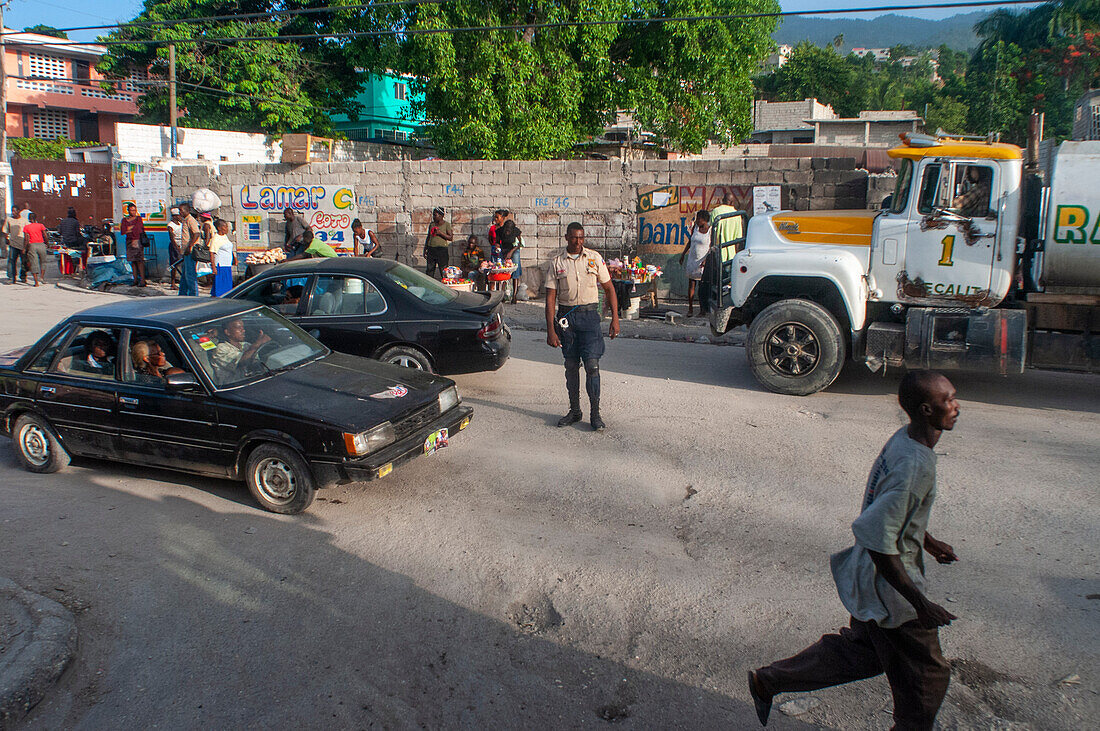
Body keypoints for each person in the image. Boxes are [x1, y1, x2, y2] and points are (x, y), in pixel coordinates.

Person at [749, 370, 962, 731]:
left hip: (871, 576)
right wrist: (920, 603)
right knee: (927, 680)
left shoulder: (906, 439)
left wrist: (928, 540)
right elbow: (879, 538)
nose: (957, 407)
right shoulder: (915, 464)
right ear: (926, 410)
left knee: (862, 654)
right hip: (891, 588)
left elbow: (893, 510)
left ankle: (770, 681)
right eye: (949, 401)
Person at [545, 222, 620, 432]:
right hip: (567, 319)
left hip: (589, 318)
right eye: (574, 238)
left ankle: (595, 414)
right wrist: (551, 329)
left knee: (592, 366)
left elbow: (609, 288)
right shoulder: (556, 262)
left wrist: (615, 319)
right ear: (567, 238)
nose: (578, 242)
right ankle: (575, 410)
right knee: (570, 366)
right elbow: (550, 298)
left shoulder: (594, 258)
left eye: (581, 238)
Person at [211, 317, 271, 382]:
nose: (243, 330)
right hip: (235, 386)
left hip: (254, 380)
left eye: (243, 327)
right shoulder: (221, 349)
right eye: (239, 328)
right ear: (228, 332)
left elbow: (256, 364)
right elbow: (241, 362)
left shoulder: (246, 345)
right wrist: (257, 343)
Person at [679, 210, 711, 318]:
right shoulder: (695, 228)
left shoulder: (710, 231)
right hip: (692, 260)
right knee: (691, 284)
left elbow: (711, 247)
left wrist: (706, 259)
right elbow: (690, 242)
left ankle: (702, 310)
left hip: (702, 262)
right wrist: (683, 254)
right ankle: (690, 308)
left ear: (705, 220)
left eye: (699, 219)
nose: (697, 221)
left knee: (702, 288)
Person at [120, 203, 146, 287]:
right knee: (133, 261)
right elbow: (123, 231)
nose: (133, 212)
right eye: (131, 210)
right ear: (128, 211)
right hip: (129, 242)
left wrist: (129, 228)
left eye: (135, 210)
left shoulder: (138, 218)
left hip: (137, 241)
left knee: (139, 261)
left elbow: (138, 229)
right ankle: (135, 280)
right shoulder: (124, 220)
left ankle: (142, 280)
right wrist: (131, 228)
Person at [498, 219, 524, 304]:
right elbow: (497, 242)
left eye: (509, 231)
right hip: (504, 249)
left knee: (515, 271)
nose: (507, 233)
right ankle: (501, 295)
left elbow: (519, 244)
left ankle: (514, 296)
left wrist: (511, 252)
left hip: (514, 249)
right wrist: (498, 248)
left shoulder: (516, 232)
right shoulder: (500, 231)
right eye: (506, 230)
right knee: (501, 270)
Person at [423, 207, 453, 279]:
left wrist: (440, 233)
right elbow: (428, 237)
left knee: (443, 270)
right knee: (430, 270)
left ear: (441, 216)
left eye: (435, 215)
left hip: (442, 250)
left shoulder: (446, 225)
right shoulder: (432, 225)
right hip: (431, 250)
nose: (433, 217)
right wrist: (425, 249)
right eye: (433, 215)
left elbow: (450, 238)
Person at [178, 203, 201, 296]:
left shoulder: (191, 220)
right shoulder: (185, 220)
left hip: (190, 251)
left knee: (190, 275)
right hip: (185, 251)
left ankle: (193, 294)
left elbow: (196, 233)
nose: (180, 212)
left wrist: (189, 246)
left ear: (187, 211)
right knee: (184, 275)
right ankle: (182, 294)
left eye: (181, 211)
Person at [209, 219, 236, 297]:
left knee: (227, 285)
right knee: (221, 286)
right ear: (219, 228)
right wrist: (213, 267)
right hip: (221, 265)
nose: (227, 228)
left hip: (227, 265)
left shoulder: (225, 237)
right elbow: (212, 252)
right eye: (225, 226)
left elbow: (229, 248)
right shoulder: (216, 238)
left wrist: (234, 258)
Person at [22, 212, 49, 288]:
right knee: (43, 261)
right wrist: (47, 243)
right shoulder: (41, 225)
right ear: (36, 218)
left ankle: (36, 282)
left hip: (32, 245)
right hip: (41, 244)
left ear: (29, 219)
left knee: (34, 263)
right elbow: (45, 235)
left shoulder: (26, 227)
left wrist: (24, 248)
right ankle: (42, 277)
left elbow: (26, 239)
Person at [4, 205, 27, 284]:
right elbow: (5, 230)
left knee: (24, 261)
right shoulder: (9, 220)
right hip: (13, 244)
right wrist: (7, 239)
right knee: (11, 261)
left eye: (14, 211)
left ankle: (23, 276)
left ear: (18, 211)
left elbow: (28, 232)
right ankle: (11, 277)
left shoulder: (24, 220)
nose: (13, 213)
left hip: (22, 244)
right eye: (12, 211)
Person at [59, 206, 84, 273]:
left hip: (65, 241)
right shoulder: (75, 221)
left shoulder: (63, 221)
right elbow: (77, 233)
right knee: (85, 244)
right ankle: (81, 265)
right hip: (73, 241)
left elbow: (60, 232)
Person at [167, 207, 183, 288]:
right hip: (175, 246)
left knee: (181, 263)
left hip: (181, 244)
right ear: (175, 216)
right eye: (178, 215)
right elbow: (172, 238)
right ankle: (172, 283)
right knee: (174, 264)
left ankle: (182, 279)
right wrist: (177, 248)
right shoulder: (170, 225)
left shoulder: (180, 224)